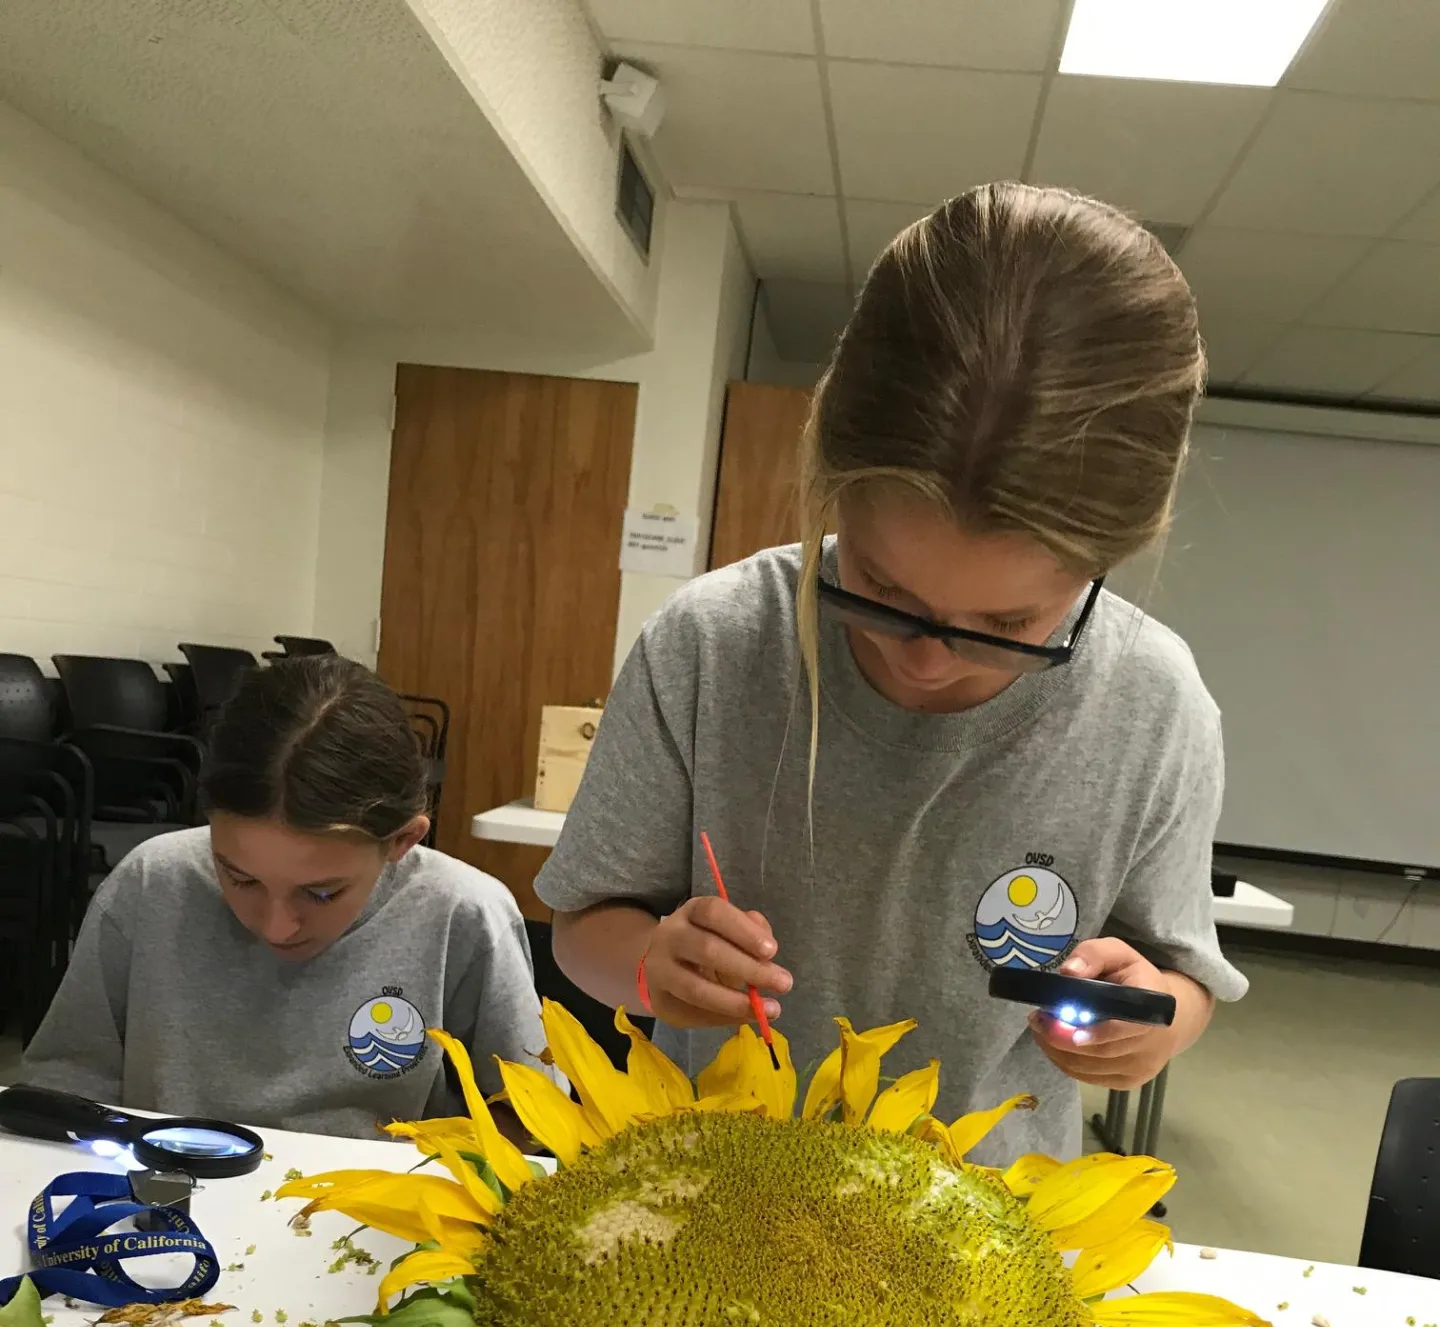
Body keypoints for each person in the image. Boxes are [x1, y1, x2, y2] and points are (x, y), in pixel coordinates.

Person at [536, 183, 1247, 1164]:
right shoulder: (712, 643)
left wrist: (1150, 1020)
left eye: (1009, 625)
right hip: (709, 1194)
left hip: (987, 1220)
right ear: (828, 479)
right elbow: (583, 928)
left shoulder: (1153, 707)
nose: (926, 657)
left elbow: (1183, 979)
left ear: (1105, 563)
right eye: (877, 584)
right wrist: (651, 965)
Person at [22, 656, 547, 1137]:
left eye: (321, 893)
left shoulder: (465, 913)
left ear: (403, 841)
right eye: (240, 878)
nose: (276, 927)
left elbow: (532, 1118)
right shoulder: (151, 882)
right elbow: (66, 1084)